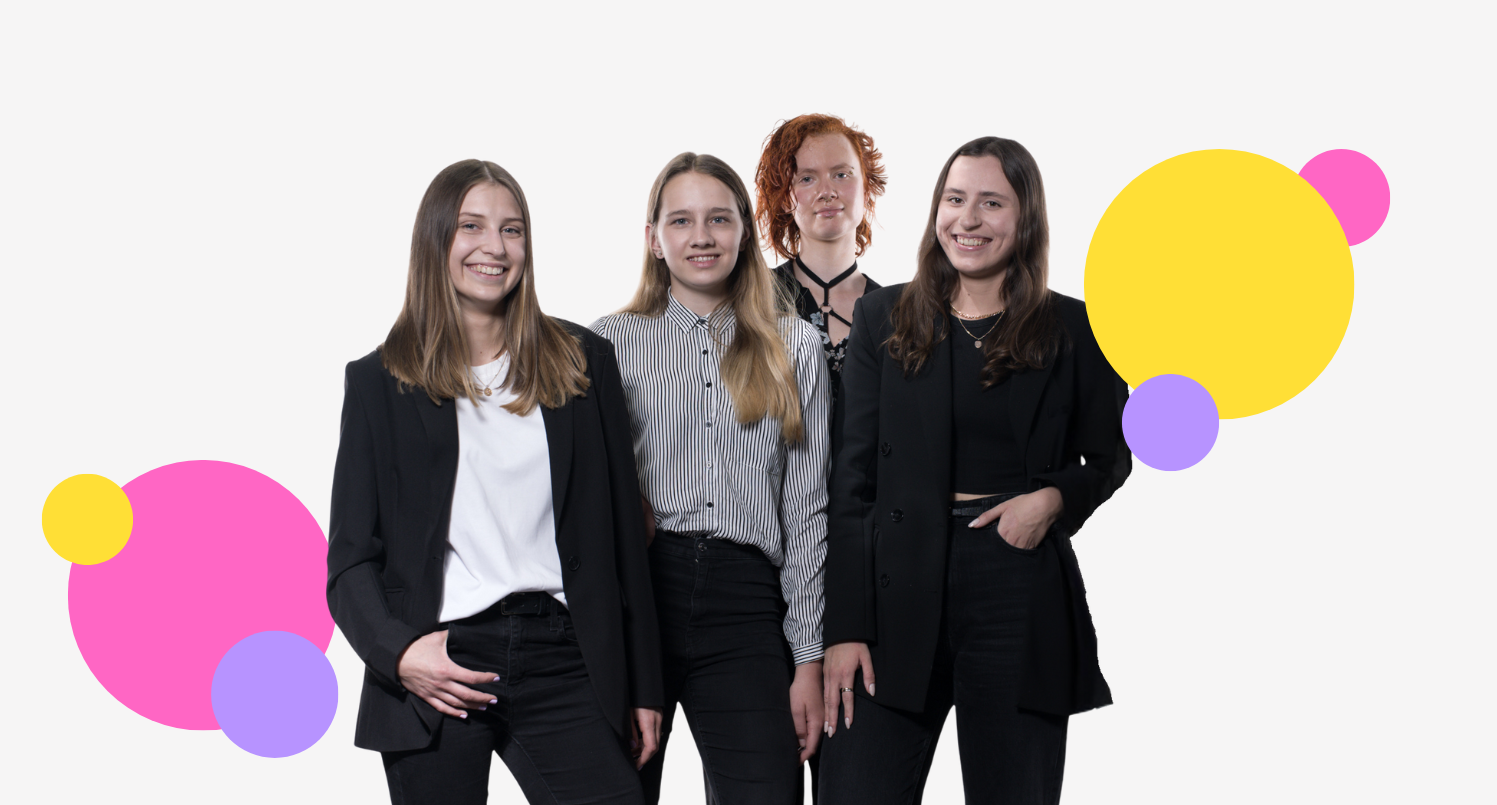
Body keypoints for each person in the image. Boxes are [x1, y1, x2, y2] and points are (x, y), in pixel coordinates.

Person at [327, 159, 663, 805]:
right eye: (471, 226)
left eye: (512, 229)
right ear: (436, 239)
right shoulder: (377, 382)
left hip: (566, 655)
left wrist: (645, 685)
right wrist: (399, 653)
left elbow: (624, 539)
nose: (495, 246)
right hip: (441, 661)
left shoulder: (583, 361)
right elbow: (350, 558)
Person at [817, 137, 1132, 804]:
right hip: (895, 585)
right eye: (955, 199)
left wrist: (1053, 498)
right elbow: (850, 485)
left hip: (1014, 580)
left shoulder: (1073, 326)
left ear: (1025, 218)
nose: (967, 219)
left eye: (991, 203)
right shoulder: (883, 316)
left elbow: (1111, 456)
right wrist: (843, 628)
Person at [592, 152, 830, 805]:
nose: (701, 237)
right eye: (682, 220)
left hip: (747, 604)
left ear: (744, 232)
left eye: (719, 219)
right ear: (653, 238)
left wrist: (806, 658)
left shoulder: (795, 346)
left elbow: (807, 509)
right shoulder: (607, 344)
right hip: (640, 596)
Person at [753, 113, 887, 803]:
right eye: (806, 177)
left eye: (843, 174)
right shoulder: (748, 305)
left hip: (869, 579)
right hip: (765, 576)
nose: (827, 189)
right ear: (784, 196)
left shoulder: (904, 314)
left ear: (868, 191)